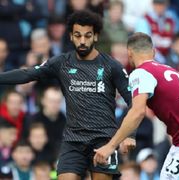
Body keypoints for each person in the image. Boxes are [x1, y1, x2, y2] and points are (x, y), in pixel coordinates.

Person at [0, 10, 135, 180]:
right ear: (71, 36)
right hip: (73, 141)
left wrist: (129, 135)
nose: (83, 41)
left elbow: (134, 102)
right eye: (78, 35)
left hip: (104, 141)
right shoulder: (61, 62)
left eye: (88, 35)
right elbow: (27, 74)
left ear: (96, 37)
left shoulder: (111, 66)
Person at [93, 32, 179, 180]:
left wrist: (110, 146)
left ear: (129, 53)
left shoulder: (141, 73)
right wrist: (129, 135)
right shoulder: (170, 70)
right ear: (154, 52)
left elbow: (137, 112)